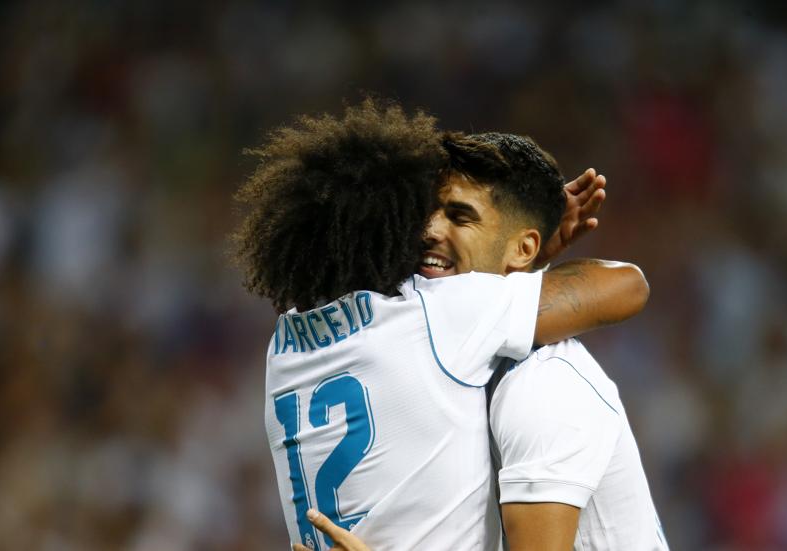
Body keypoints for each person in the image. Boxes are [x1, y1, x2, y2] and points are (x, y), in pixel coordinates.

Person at [233, 101, 649, 551]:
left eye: (458, 215)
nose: (428, 229)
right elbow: (628, 285)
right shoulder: (442, 316)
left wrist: (518, 265)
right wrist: (525, 260)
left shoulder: (283, 346)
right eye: (421, 213)